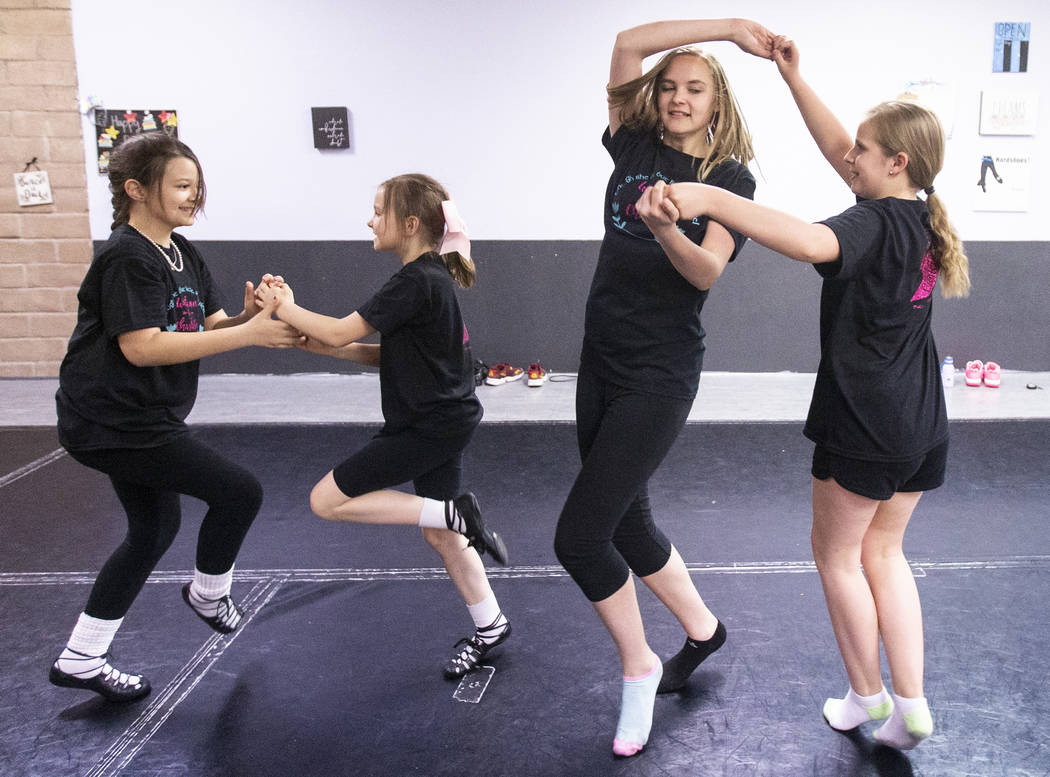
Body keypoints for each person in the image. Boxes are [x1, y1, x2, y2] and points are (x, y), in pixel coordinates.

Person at [651, 35, 971, 751]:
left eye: (863, 148)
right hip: (922, 420)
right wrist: (795, 79)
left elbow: (803, 241)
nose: (847, 155)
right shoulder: (918, 214)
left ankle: (866, 695)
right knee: (885, 556)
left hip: (865, 420)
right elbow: (841, 153)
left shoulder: (866, 223)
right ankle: (910, 704)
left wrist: (710, 196)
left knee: (836, 557)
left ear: (897, 162)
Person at [552, 18, 774, 757]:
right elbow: (623, 40)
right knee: (628, 524)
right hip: (601, 358)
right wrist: (728, 28)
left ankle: (639, 665)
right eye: (670, 84)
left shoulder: (729, 180)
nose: (678, 97)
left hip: (661, 371)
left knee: (581, 537)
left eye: (696, 88)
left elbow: (706, 272)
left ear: (719, 103)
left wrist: (670, 227)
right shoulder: (634, 141)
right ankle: (705, 631)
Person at [49, 133, 304, 702]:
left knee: (154, 530)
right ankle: (209, 594)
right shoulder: (126, 256)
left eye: (197, 186)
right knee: (238, 492)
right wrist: (249, 335)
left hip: (141, 416)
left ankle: (81, 657)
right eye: (181, 186)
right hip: (110, 420)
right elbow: (141, 346)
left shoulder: (181, 252)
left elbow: (206, 325)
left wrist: (249, 314)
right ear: (136, 190)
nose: (194, 197)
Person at [258, 173, 511, 679]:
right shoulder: (429, 278)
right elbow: (386, 354)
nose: (369, 220)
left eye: (378, 211)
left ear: (410, 223)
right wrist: (323, 347)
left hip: (427, 428)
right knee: (442, 536)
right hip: (445, 420)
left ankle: (454, 513)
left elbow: (335, 327)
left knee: (326, 501)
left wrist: (285, 307)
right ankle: (491, 626)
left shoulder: (414, 280)